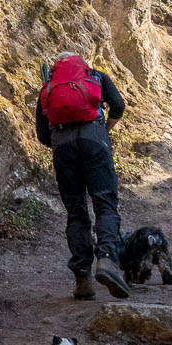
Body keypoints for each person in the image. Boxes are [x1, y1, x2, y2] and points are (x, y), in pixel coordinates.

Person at [35, 52, 130, 301]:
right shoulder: (96, 76)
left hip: (63, 148)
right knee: (105, 204)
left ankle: (83, 278)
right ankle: (107, 261)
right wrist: (104, 130)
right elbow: (119, 106)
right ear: (81, 63)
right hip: (96, 142)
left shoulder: (48, 87)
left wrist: (63, 140)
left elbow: (43, 135)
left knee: (76, 211)